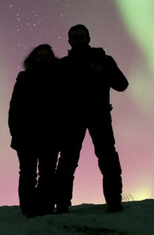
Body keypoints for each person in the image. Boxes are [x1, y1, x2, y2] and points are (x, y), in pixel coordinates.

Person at [55, 24, 129, 213]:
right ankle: (62, 204)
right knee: (67, 161)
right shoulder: (62, 64)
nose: (78, 40)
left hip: (99, 115)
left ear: (88, 38)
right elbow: (47, 85)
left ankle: (114, 201)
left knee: (107, 157)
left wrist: (103, 72)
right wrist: (25, 75)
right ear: (69, 41)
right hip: (72, 119)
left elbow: (122, 84)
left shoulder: (104, 60)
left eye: (82, 36)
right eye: (75, 37)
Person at [8, 44, 60, 217]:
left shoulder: (59, 77)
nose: (43, 58)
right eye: (40, 55)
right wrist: (15, 132)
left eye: (46, 55)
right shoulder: (24, 79)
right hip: (26, 135)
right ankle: (29, 210)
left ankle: (45, 208)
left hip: (50, 135)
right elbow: (14, 107)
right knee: (28, 174)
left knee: (47, 174)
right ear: (34, 59)